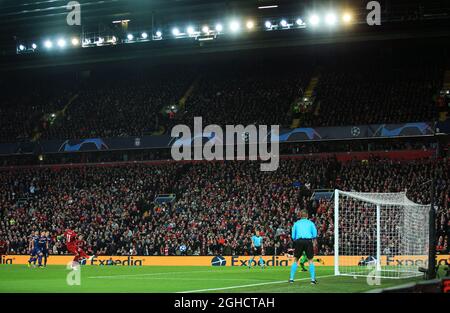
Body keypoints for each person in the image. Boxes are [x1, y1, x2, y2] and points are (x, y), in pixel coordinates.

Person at [289, 210, 318, 284]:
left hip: (299, 241)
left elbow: (293, 236)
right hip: (308, 241)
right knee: (310, 260)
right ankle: (312, 280)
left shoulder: (296, 223)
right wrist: (314, 242)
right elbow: (314, 234)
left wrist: (297, 240)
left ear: (300, 215)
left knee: (296, 259)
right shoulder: (311, 223)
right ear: (307, 215)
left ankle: (291, 279)